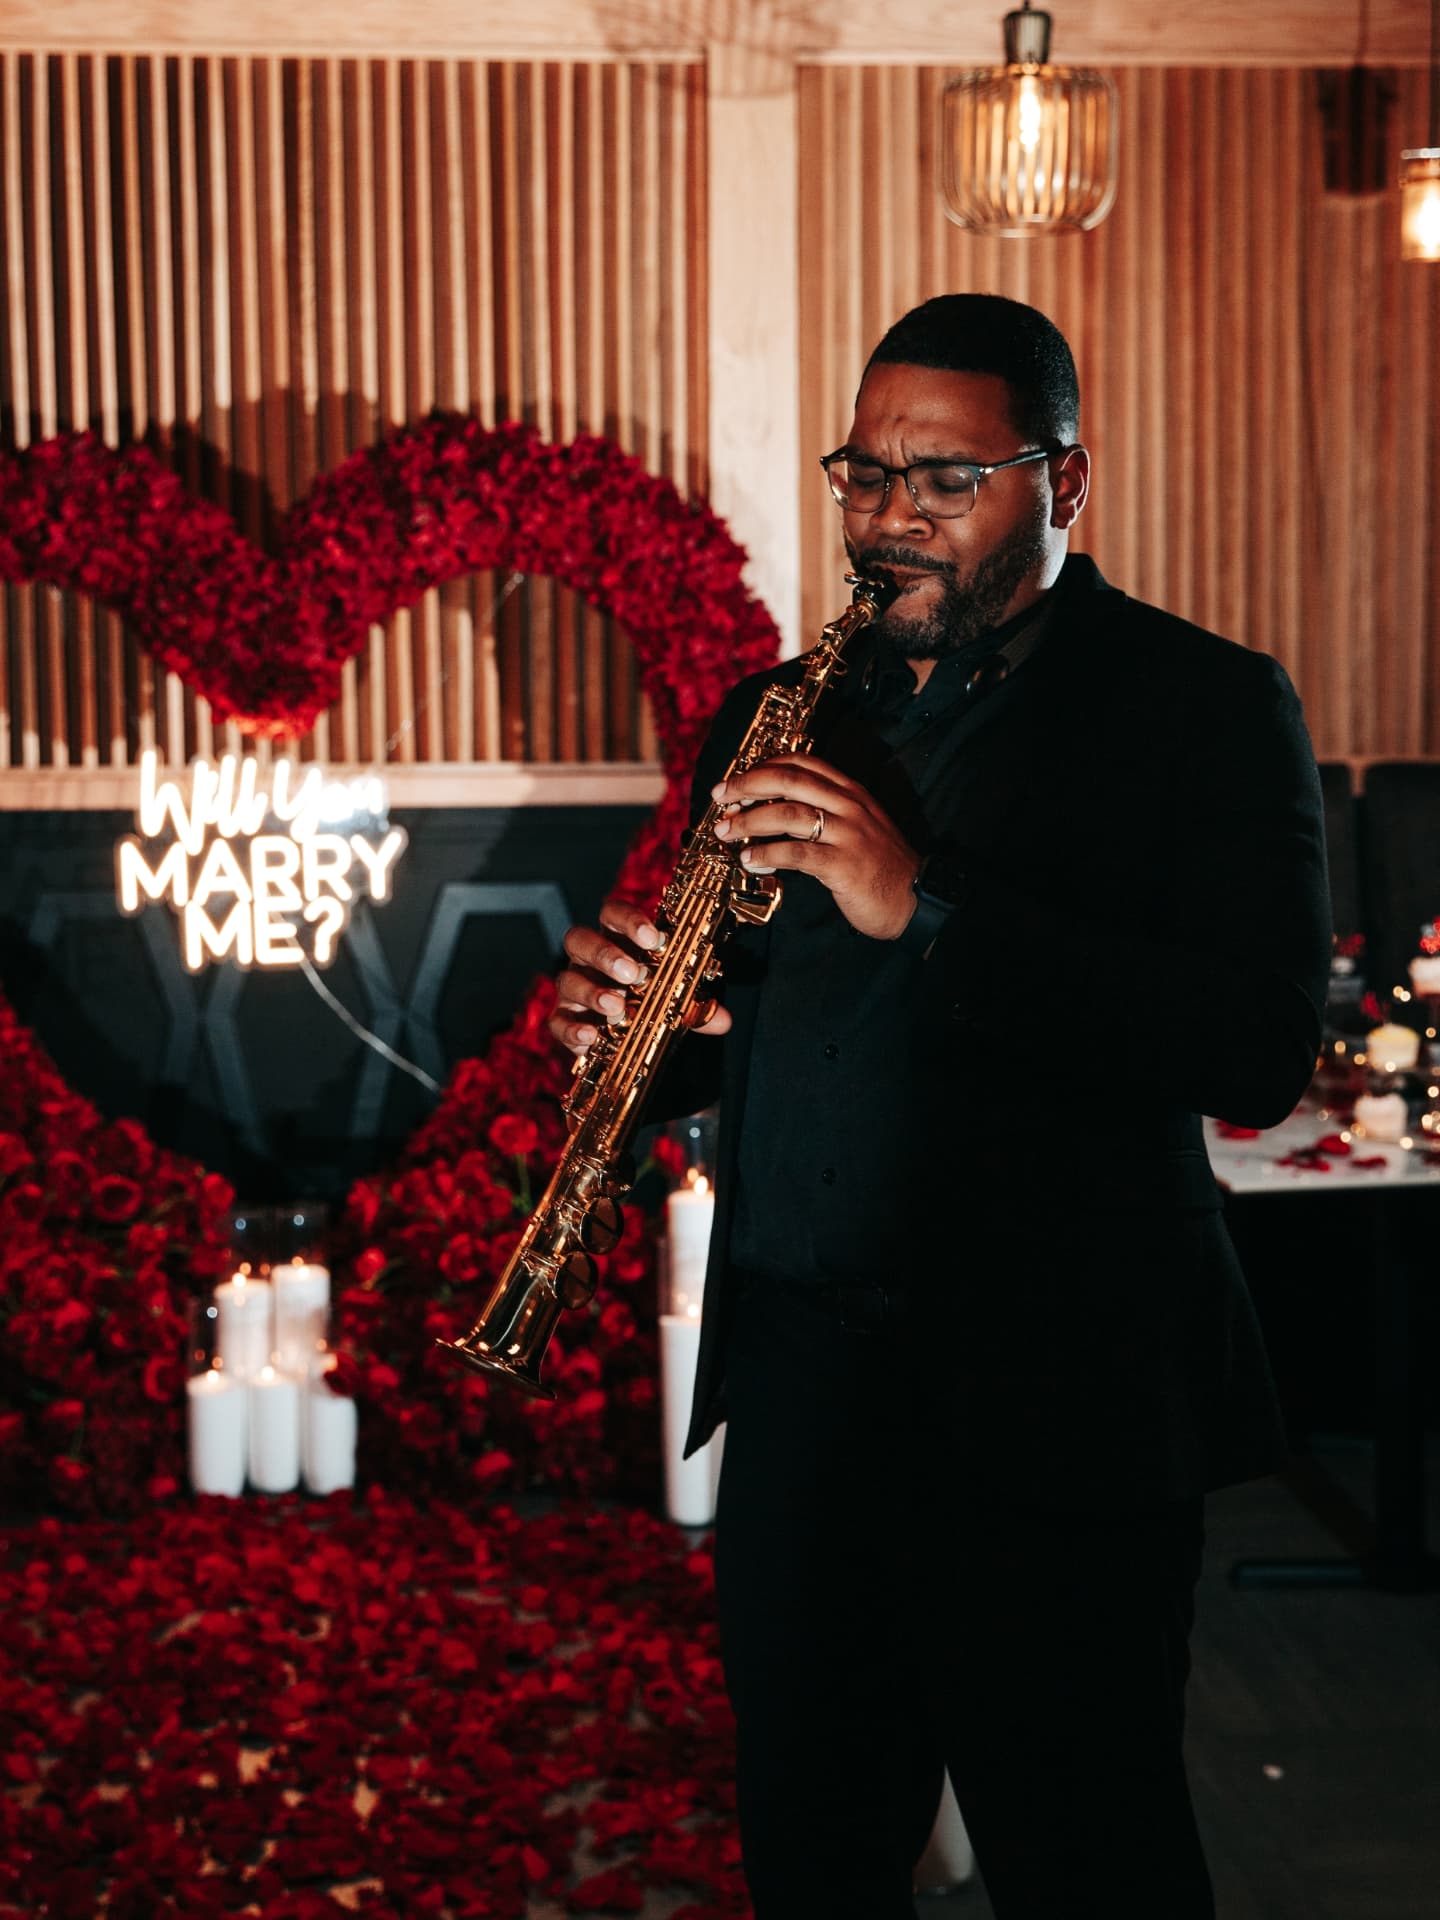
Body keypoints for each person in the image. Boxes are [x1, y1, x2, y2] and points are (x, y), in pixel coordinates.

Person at [550, 294, 1330, 1919]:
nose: (889, 519)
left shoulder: (1203, 706)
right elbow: (780, 1025)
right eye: (863, 476)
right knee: (816, 1860)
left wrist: (930, 905)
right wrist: (642, 1040)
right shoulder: (775, 713)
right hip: (802, 1407)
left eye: (944, 481)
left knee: (1087, 1858)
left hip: (1061, 1409)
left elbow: (1255, 1048)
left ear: (1067, 482)